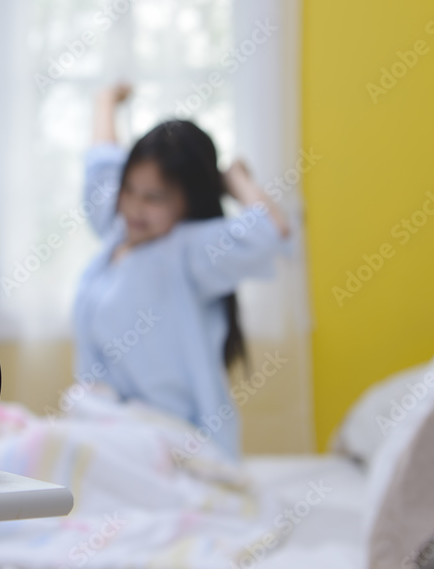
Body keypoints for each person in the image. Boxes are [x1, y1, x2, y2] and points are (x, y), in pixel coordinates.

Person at [72, 84, 290, 460]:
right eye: (130, 190)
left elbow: (271, 231)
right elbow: (101, 163)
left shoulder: (190, 251)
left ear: (189, 201)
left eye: (155, 197)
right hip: (112, 426)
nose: (136, 207)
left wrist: (234, 180)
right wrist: (105, 100)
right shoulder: (116, 228)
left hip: (178, 441)